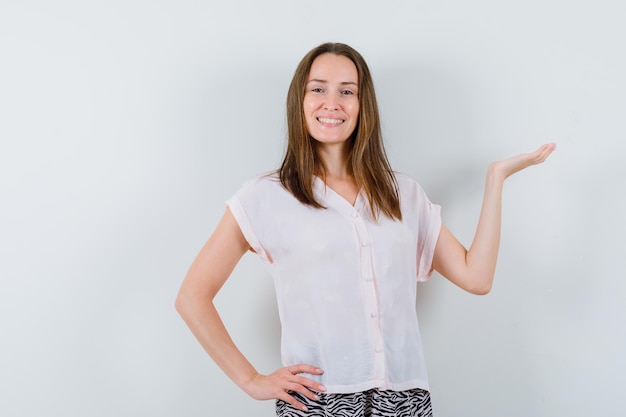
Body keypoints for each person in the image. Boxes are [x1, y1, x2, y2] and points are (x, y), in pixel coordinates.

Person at [175, 42, 555, 416]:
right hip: (318, 400)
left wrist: (495, 179)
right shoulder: (266, 196)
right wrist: (251, 380)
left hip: (405, 399)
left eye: (347, 91)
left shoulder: (402, 193)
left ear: (362, 105)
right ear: (299, 101)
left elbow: (477, 277)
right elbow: (192, 296)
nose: (332, 103)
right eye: (318, 89)